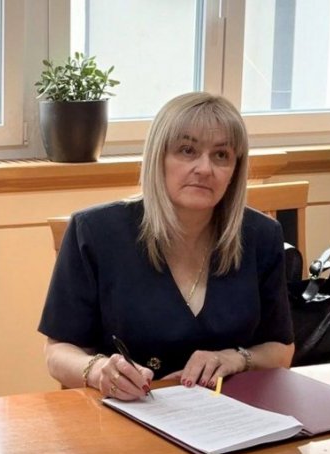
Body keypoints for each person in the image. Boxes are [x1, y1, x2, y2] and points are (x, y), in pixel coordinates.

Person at [39, 92, 294, 400]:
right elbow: (58, 352)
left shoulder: (261, 235)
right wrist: (98, 371)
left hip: (228, 411)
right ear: (158, 158)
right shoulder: (94, 231)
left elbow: (281, 349)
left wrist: (236, 358)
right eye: (187, 150)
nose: (205, 168)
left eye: (221, 155)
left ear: (235, 170)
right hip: (128, 410)